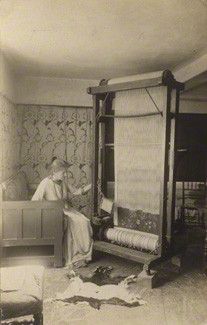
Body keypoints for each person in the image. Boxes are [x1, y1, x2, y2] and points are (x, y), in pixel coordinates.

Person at [32, 157, 93, 267]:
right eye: (63, 172)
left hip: (67, 210)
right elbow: (35, 201)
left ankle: (81, 255)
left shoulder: (63, 182)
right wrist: (46, 212)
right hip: (54, 214)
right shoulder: (45, 183)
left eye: (66, 172)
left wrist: (92, 185)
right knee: (76, 223)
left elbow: (77, 191)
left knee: (85, 221)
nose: (65, 175)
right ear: (54, 171)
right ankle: (73, 256)